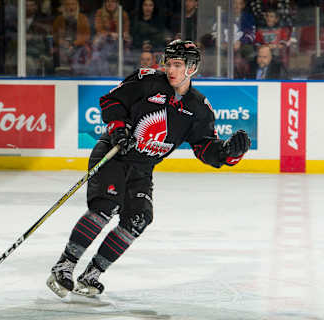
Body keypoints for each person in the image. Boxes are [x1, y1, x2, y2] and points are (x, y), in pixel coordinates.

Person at [46, 40, 251, 298]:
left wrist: (229, 153)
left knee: (138, 218)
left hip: (143, 168)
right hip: (115, 154)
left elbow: (205, 148)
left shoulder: (199, 108)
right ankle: (64, 265)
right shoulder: (148, 81)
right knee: (105, 207)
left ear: (193, 67)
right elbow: (111, 101)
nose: (171, 69)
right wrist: (119, 129)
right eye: (169, 63)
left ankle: (92, 274)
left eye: (178, 64)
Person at [50, 0, 91, 75]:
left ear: (77, 6)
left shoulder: (83, 18)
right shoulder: (59, 19)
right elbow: (55, 36)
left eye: (73, 4)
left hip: (79, 46)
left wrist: (73, 44)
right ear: (64, 7)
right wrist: (62, 43)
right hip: (62, 47)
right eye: (68, 5)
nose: (71, 7)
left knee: (83, 52)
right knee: (56, 53)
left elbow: (86, 36)